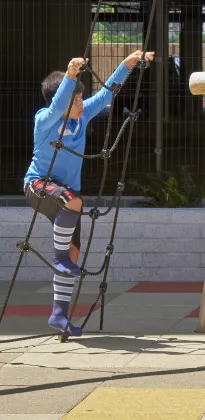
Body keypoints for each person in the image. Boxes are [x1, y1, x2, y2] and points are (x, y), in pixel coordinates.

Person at [24, 50, 154, 336]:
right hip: (38, 184)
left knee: (74, 250)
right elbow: (59, 104)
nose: (82, 104)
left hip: (65, 195)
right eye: (77, 98)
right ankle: (59, 258)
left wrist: (125, 66)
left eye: (82, 98)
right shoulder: (44, 120)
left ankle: (59, 314)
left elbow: (106, 95)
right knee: (73, 204)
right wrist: (70, 76)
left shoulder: (81, 119)